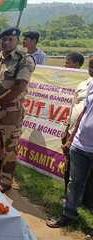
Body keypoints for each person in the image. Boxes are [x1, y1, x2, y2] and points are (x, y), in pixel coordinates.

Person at [0, 27, 36, 193]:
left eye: (10, 40)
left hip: (10, 113)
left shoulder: (24, 60)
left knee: (9, 149)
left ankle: (6, 181)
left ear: (16, 41)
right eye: (3, 40)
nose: (6, 43)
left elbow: (19, 87)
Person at [46, 77, 93, 228]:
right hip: (80, 145)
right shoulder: (91, 84)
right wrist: (71, 138)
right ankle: (69, 215)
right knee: (74, 182)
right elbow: (84, 111)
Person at [62, 56, 93, 211]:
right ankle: (69, 212)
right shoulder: (88, 85)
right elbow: (80, 111)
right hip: (79, 141)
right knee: (73, 179)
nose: (91, 69)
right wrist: (70, 133)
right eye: (90, 65)